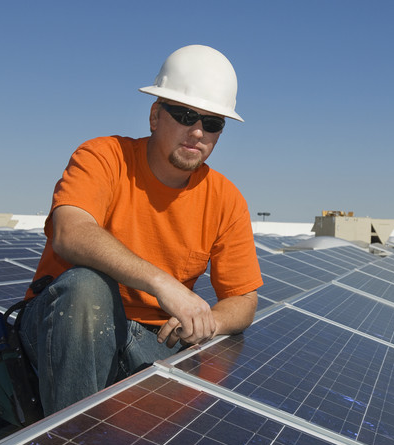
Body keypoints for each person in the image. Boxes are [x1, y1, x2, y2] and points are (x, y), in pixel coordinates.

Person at [18, 45, 263, 416]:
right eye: (185, 115)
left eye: (212, 124)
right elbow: (70, 232)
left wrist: (206, 320)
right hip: (62, 329)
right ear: (154, 116)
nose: (198, 131)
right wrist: (164, 284)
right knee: (87, 287)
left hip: (151, 343)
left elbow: (244, 301)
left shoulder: (227, 200)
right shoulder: (103, 157)